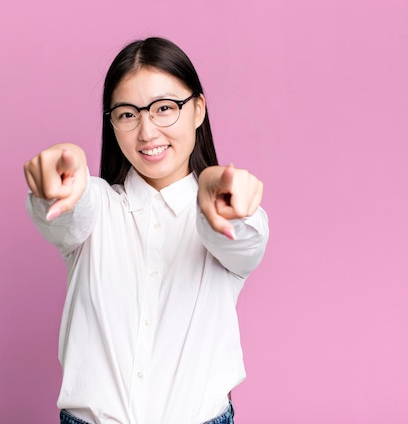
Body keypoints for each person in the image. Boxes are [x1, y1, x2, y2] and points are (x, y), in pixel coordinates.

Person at [24, 37, 269, 424]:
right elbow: (68, 211)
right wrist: (57, 181)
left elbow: (241, 236)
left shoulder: (220, 211)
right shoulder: (99, 206)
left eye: (165, 108)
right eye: (127, 114)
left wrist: (220, 203)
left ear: (198, 109)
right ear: (112, 123)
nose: (147, 131)